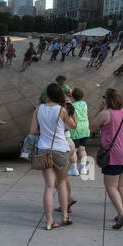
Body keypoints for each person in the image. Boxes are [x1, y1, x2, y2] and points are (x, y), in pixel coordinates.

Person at [31, 82, 78, 230]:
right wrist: (71, 109)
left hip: (43, 149)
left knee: (49, 187)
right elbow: (73, 125)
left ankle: (50, 221)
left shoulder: (39, 109)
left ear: (48, 95)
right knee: (62, 183)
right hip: (60, 149)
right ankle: (65, 215)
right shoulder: (62, 110)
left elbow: (32, 130)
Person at [93, 88, 123, 230]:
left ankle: (122, 215)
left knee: (110, 186)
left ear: (108, 100)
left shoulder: (106, 114)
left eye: (104, 97)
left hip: (115, 153)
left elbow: (90, 126)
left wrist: (99, 109)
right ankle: (120, 212)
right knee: (122, 185)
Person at [68, 87, 89, 175]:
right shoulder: (84, 103)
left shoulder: (71, 105)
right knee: (82, 149)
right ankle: (83, 168)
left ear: (72, 96)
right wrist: (73, 93)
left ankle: (74, 169)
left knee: (74, 150)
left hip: (75, 129)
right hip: (85, 128)